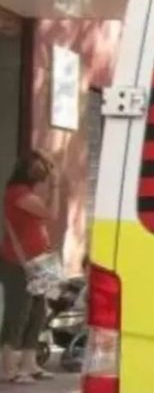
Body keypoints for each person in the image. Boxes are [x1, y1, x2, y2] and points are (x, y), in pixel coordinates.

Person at [0, 151, 59, 384]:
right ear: (26, 170)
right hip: (18, 263)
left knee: (38, 312)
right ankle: (8, 368)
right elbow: (50, 214)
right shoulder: (17, 194)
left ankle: (29, 364)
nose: (43, 171)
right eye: (39, 167)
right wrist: (56, 186)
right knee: (19, 313)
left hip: (40, 262)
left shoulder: (29, 193)